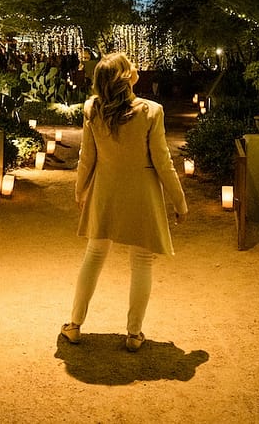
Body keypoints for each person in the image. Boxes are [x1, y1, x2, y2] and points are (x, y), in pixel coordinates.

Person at [60, 52, 188, 352]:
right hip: (142, 193)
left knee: (94, 255)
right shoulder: (151, 111)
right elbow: (162, 162)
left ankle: (74, 325)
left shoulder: (93, 109)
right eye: (130, 65)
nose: (135, 67)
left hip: (104, 191)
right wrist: (179, 202)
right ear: (125, 77)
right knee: (141, 262)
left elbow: (87, 157)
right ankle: (133, 333)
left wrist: (80, 190)